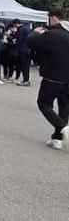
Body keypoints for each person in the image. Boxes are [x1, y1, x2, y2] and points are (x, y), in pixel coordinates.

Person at [27, 11, 69, 150]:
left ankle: (63, 128)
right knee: (64, 107)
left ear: (53, 18)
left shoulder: (52, 34)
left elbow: (32, 43)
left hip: (53, 76)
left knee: (44, 103)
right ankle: (57, 138)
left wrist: (35, 32)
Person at [16, 20, 32, 86]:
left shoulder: (22, 29)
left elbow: (19, 39)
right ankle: (26, 79)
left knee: (23, 65)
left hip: (22, 49)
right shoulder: (28, 29)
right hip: (28, 49)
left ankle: (25, 80)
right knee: (27, 66)